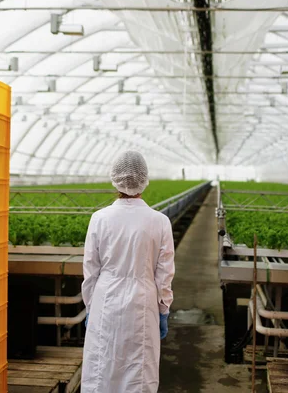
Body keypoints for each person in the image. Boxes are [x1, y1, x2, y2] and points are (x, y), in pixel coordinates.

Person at [81, 151, 176, 393]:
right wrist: (163, 308)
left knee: (102, 368)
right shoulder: (160, 221)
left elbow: (91, 269)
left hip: (106, 299)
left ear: (115, 180)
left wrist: (90, 305)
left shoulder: (99, 218)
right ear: (145, 180)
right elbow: (164, 272)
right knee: (138, 371)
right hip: (143, 301)